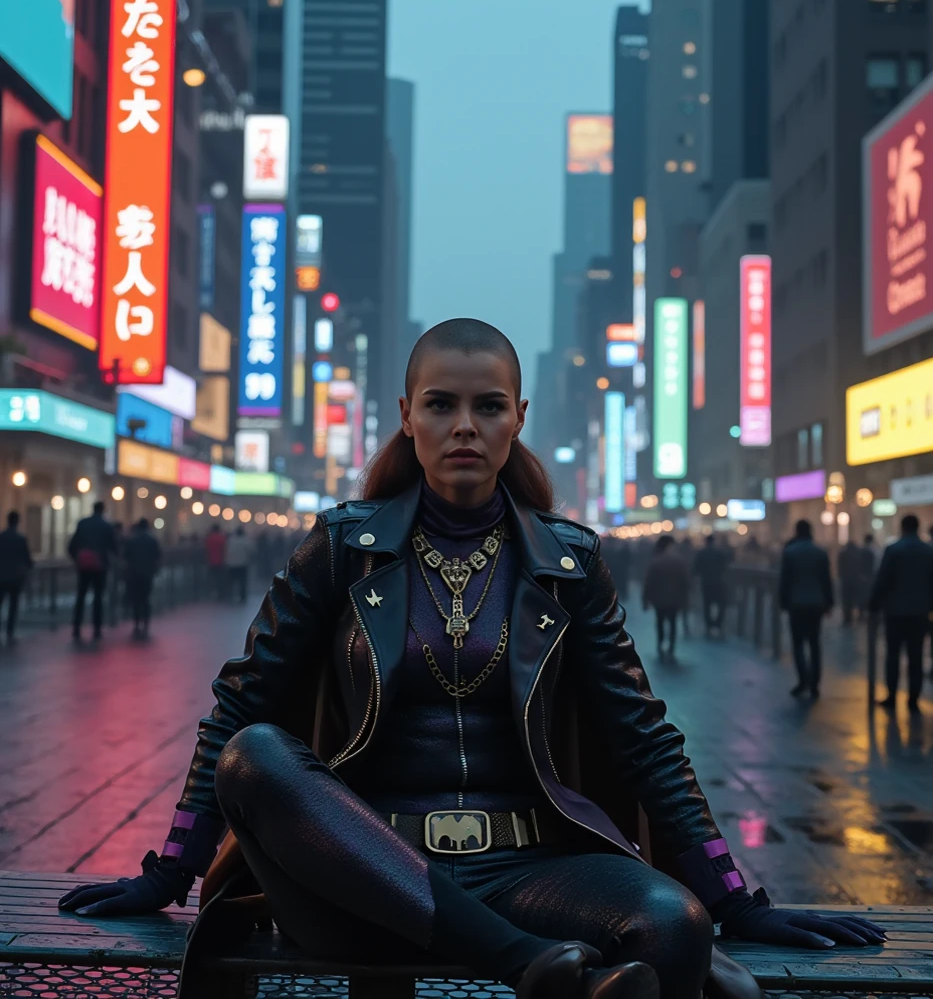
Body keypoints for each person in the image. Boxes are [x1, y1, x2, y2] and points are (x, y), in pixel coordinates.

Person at [58, 320, 883, 999]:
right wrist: (169, 873)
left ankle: (531, 958)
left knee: (675, 926)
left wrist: (733, 898)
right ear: (406, 416)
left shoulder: (566, 562)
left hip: (531, 865)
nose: (464, 426)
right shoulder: (343, 547)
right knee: (258, 754)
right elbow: (241, 705)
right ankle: (525, 964)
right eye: (441, 405)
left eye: (487, 406)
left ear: (517, 416)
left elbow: (643, 735)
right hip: (368, 873)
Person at [868, 514, 933, 713]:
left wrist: (873, 604)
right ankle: (913, 698)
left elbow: (882, 580)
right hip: (920, 612)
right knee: (916, 656)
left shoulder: (893, 550)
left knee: (893, 655)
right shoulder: (928, 551)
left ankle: (892, 695)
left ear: (902, 527)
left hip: (895, 611)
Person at [778, 520, 833, 699]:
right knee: (815, 643)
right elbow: (826, 581)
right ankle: (815, 683)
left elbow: (785, 581)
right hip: (816, 603)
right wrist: (829, 603)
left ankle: (803, 680)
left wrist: (783, 602)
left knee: (798, 644)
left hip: (796, 604)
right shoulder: (820, 552)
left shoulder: (790, 552)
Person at [68, 500, 117, 643]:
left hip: (83, 565)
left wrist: (77, 558)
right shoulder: (106, 526)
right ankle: (97, 629)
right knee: (98, 598)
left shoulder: (82, 523)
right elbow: (113, 546)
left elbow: (73, 544)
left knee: (81, 596)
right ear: (103, 510)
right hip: (99, 565)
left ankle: (76, 627)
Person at [642, 535, 691, 658]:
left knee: (660, 621)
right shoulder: (679, 561)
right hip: (675, 598)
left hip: (659, 599)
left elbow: (649, 582)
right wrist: (686, 599)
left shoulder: (656, 561)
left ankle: (660, 643)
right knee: (673, 622)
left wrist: (645, 600)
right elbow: (685, 582)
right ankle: (671, 647)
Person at [123, 519, 162, 639]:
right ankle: (146, 623)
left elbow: (126, 556)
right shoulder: (152, 540)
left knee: (136, 600)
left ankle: (136, 623)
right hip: (147, 573)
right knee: (146, 598)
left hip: (134, 573)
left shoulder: (132, 540)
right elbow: (158, 556)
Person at [0, 511, 33, 643]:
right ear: (17, 522)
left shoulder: (1, 537)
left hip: (1, 575)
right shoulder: (20, 539)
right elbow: (27, 559)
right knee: (13, 605)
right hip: (15, 576)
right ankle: (10, 631)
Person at [694, 535, 729, 635]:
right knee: (721, 604)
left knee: (707, 604)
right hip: (719, 581)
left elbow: (696, 568)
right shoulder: (720, 553)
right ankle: (718, 623)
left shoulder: (701, 553)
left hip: (706, 582)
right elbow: (725, 566)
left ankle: (709, 624)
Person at [837, 540, 862, 626]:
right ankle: (854, 615)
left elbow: (840, 567)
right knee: (854, 598)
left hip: (846, 579)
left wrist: (840, 576)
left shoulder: (843, 553)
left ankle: (847, 617)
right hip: (855, 579)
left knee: (846, 600)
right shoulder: (858, 553)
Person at [226, 527, 252, 604]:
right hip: (242, 564)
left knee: (231, 582)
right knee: (242, 582)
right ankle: (242, 598)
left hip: (231, 564)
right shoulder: (245, 540)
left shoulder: (230, 540)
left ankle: (231, 596)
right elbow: (251, 551)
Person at [205, 524, 227, 600]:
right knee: (220, 579)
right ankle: (221, 594)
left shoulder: (209, 538)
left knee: (212, 579)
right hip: (220, 561)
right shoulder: (221, 538)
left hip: (211, 561)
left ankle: (212, 593)